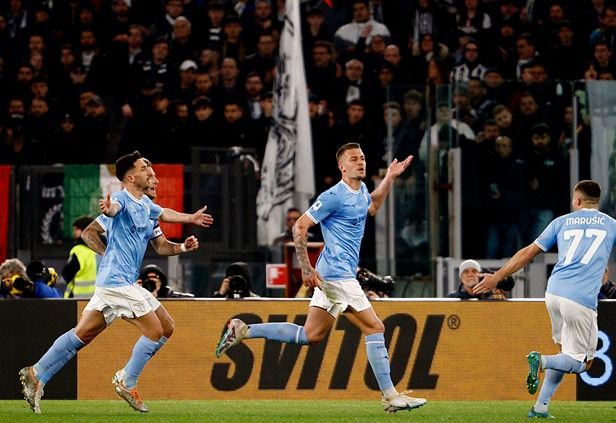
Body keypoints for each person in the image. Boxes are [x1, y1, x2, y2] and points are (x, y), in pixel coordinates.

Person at [216, 143, 426, 413]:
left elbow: (372, 206)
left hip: (335, 276)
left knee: (311, 335)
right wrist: (305, 267)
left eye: (362, 157)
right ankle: (391, 396)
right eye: (354, 159)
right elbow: (300, 226)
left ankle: (244, 330)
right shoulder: (333, 196)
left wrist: (389, 177)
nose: (361, 162)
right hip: (337, 276)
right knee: (375, 328)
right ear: (342, 166)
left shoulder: (360, 190)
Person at [473, 180, 616, 419]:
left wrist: (497, 276)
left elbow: (527, 253)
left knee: (565, 353)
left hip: (553, 293)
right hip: (580, 299)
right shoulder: (612, 225)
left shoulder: (560, 222)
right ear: (596, 201)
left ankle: (540, 406)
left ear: (577, 200)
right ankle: (540, 361)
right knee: (583, 364)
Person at [19, 151, 213, 414]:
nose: (151, 174)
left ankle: (36, 373)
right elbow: (105, 217)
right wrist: (109, 216)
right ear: (131, 177)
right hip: (116, 282)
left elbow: (163, 233)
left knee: (99, 333)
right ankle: (126, 381)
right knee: (154, 330)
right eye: (146, 168)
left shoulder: (146, 207)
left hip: (123, 282)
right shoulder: (121, 200)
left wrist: (187, 231)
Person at [62, 216, 98, 298]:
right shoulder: (103, 250)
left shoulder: (79, 251)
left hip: (78, 300)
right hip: (98, 301)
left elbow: (67, 274)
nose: (74, 233)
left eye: (76, 229)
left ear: (84, 230)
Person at [447, 259, 513, 300]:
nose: (470, 275)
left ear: (480, 274)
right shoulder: (452, 298)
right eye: (466, 272)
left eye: (474, 271)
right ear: (461, 277)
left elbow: (509, 282)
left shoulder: (491, 296)